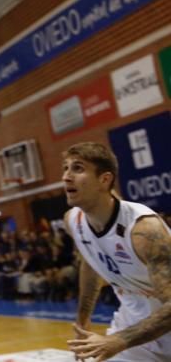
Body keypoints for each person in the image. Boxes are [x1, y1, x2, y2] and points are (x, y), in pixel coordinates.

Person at [61, 142, 171, 362]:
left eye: (78, 168)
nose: (66, 176)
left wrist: (118, 340)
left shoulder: (144, 231)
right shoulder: (73, 221)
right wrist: (82, 322)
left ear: (105, 180)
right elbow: (92, 264)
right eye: (65, 167)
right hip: (134, 324)